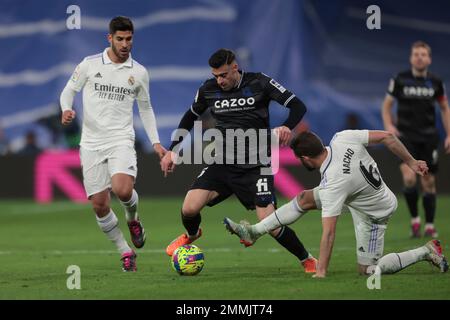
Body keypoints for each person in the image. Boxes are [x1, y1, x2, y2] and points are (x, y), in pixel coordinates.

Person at [161, 48, 318, 273]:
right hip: (223, 163)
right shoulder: (208, 89)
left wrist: (286, 126)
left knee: (269, 223)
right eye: (216, 75)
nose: (220, 80)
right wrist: (172, 149)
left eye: (224, 75)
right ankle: (193, 234)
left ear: (235, 67)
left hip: (256, 166)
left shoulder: (259, 82)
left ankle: (307, 259)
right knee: (189, 208)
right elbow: (190, 116)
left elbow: (298, 105)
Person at [224, 130, 448, 278]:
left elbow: (329, 233)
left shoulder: (333, 183)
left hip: (375, 213)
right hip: (358, 193)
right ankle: (253, 231)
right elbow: (388, 137)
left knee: (368, 271)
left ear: (305, 159)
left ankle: (425, 251)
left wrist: (321, 271)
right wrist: (411, 161)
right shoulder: (342, 137)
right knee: (305, 198)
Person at [60, 16, 166, 272]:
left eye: (129, 39)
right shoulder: (90, 64)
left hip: (121, 139)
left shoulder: (138, 72)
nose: (125, 43)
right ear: (110, 38)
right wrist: (66, 109)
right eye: (120, 39)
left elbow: (146, 109)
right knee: (99, 204)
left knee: (123, 190)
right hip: (91, 143)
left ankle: (133, 219)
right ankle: (125, 251)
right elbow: (69, 90)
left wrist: (156, 142)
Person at [381, 41, 450, 238]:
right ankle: (415, 222)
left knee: (428, 182)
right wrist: (389, 126)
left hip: (429, 138)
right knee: (410, 178)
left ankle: (429, 224)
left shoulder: (436, 82)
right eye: (416, 54)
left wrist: (449, 134)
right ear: (411, 58)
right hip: (405, 138)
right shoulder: (400, 79)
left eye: (423, 54)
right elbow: (386, 106)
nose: (419, 57)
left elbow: (445, 108)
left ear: (429, 59)